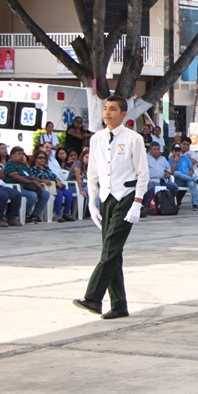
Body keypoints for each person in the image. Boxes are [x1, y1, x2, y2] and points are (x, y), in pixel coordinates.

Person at [73, 96, 149, 321]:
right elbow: (93, 172)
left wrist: (137, 202)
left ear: (123, 114)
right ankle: (119, 305)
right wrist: (92, 201)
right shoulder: (97, 138)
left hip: (126, 196)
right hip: (107, 197)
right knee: (113, 252)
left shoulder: (133, 139)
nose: (107, 113)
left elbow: (142, 174)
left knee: (110, 248)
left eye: (113, 109)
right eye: (105, 109)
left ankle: (93, 297)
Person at [4, 146, 50, 223]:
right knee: (32, 195)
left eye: (22, 154)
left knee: (45, 193)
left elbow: (32, 176)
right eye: (19, 154)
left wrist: (37, 181)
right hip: (16, 186)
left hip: (28, 186)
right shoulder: (10, 165)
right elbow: (16, 177)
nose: (22, 156)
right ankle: (25, 214)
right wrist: (30, 181)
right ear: (12, 155)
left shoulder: (24, 166)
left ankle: (34, 215)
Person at [31, 150, 75, 222]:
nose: (42, 159)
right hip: (45, 187)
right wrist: (43, 181)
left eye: (44, 158)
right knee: (59, 194)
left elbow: (55, 176)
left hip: (53, 185)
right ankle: (57, 214)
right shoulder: (34, 169)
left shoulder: (47, 169)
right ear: (35, 159)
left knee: (68, 193)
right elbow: (34, 179)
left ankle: (66, 213)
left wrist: (58, 181)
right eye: (40, 158)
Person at [142, 141, 179, 212]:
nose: (157, 151)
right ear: (150, 150)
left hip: (163, 179)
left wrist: (168, 173)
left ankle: (169, 204)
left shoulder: (163, 158)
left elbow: (169, 169)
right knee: (155, 187)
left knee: (174, 187)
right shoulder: (145, 158)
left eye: (158, 149)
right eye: (155, 149)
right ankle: (146, 207)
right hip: (151, 180)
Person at [170, 143, 198, 210]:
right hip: (178, 181)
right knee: (176, 173)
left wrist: (188, 177)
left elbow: (191, 170)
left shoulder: (185, 158)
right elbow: (172, 173)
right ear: (172, 152)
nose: (177, 152)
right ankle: (195, 180)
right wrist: (175, 162)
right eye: (175, 151)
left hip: (187, 178)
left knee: (192, 184)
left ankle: (195, 204)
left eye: (178, 151)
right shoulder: (170, 161)